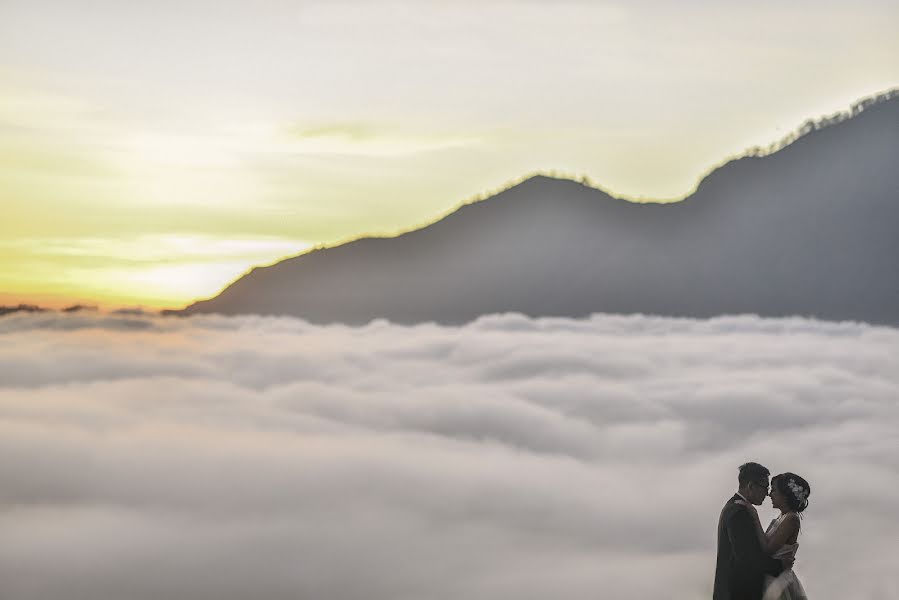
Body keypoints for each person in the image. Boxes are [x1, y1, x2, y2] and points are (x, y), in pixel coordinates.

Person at [714, 462, 792, 600]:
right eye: (764, 487)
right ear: (751, 486)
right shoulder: (739, 512)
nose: (767, 493)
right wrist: (780, 565)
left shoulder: (734, 507)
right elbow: (748, 558)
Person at [737, 473, 810, 600]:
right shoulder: (782, 517)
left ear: (785, 495)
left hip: (778, 581)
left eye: (774, 490)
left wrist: (755, 517)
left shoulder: (791, 518)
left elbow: (768, 549)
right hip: (772, 577)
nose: (770, 494)